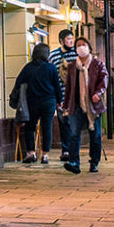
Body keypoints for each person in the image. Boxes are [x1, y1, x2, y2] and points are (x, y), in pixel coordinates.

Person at [61, 36, 108, 174]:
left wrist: (98, 94)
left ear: (89, 47)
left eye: (84, 44)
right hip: (76, 105)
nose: (81, 47)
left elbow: (104, 80)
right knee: (74, 134)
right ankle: (74, 162)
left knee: (95, 135)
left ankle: (94, 162)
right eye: (78, 45)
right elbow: (69, 87)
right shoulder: (71, 66)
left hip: (92, 106)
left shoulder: (98, 65)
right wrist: (65, 105)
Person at [10, 43, 63, 163]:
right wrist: (59, 101)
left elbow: (18, 82)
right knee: (47, 127)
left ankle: (31, 153)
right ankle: (45, 155)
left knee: (30, 127)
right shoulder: (51, 68)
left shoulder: (28, 67)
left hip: (32, 101)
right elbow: (57, 86)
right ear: (47, 54)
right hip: (49, 101)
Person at [49, 29, 78, 160]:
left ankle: (73, 150)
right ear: (61, 41)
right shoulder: (53, 55)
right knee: (63, 123)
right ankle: (65, 150)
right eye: (68, 39)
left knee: (73, 123)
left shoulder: (77, 54)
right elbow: (50, 75)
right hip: (60, 96)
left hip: (75, 96)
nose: (71, 42)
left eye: (72, 39)